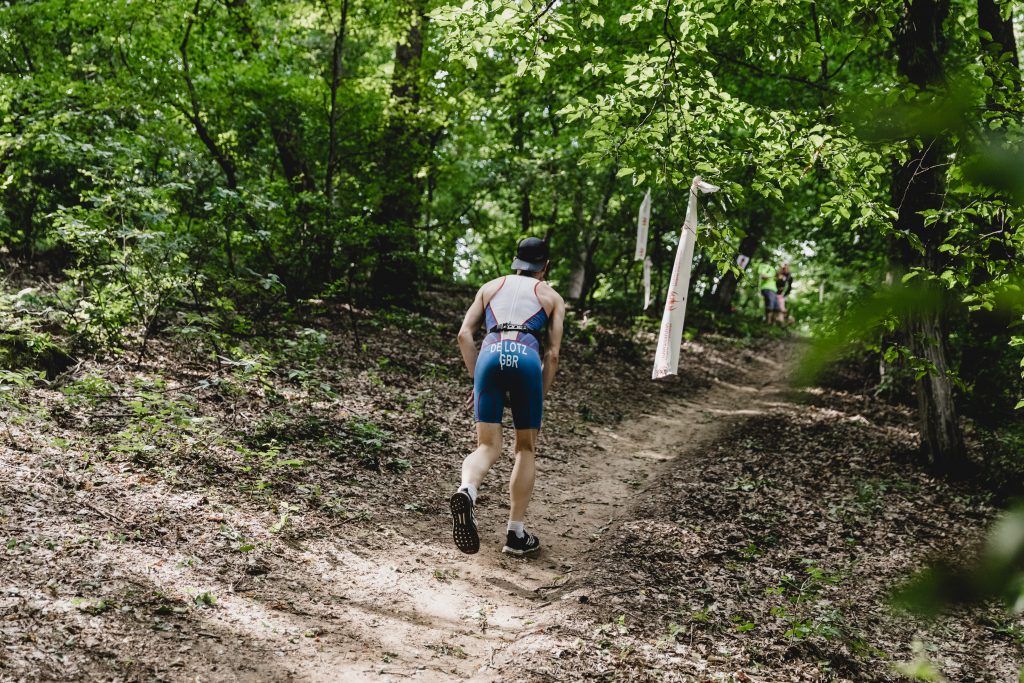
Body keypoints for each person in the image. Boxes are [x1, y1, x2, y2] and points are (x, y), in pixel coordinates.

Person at [449, 237, 566, 556]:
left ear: (516, 262)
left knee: (487, 446)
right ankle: (515, 534)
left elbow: (464, 335)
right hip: (526, 360)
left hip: (489, 355)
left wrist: (477, 380)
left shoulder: (489, 287)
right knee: (525, 448)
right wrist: (539, 393)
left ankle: (467, 490)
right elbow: (553, 355)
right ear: (545, 266)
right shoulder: (552, 296)